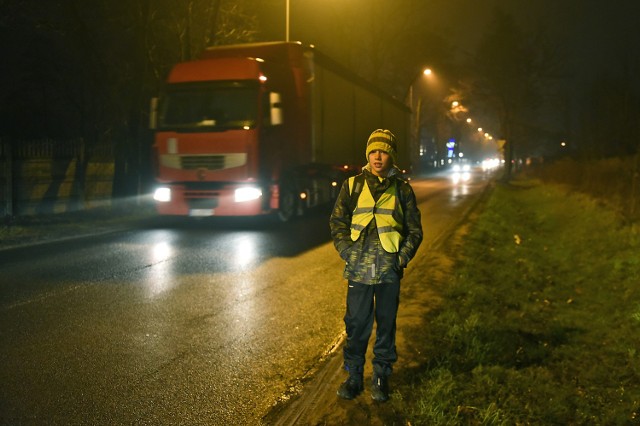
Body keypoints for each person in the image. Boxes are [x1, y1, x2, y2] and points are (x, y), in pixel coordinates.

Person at [329, 129, 423, 402]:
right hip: (358, 270)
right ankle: (354, 375)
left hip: (388, 273)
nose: (377, 156)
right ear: (367, 154)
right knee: (356, 325)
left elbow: (415, 231)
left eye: (383, 151)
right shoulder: (352, 185)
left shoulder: (403, 189)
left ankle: (381, 376)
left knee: (386, 326)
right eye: (373, 151)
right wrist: (347, 251)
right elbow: (337, 223)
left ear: (391, 154)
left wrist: (401, 259)